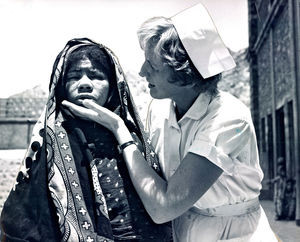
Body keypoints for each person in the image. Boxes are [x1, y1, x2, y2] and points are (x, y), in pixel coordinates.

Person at [62, 4, 278, 242]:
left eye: (152, 66)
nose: (143, 72)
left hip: (234, 232)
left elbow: (163, 207)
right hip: (183, 227)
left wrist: (118, 128)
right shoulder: (160, 107)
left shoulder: (228, 119)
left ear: (184, 74)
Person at [0, 38, 172, 241]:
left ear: (113, 85)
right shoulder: (51, 142)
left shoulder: (133, 135)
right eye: (74, 77)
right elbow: (26, 219)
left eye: (96, 76)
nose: (84, 84)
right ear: (62, 85)